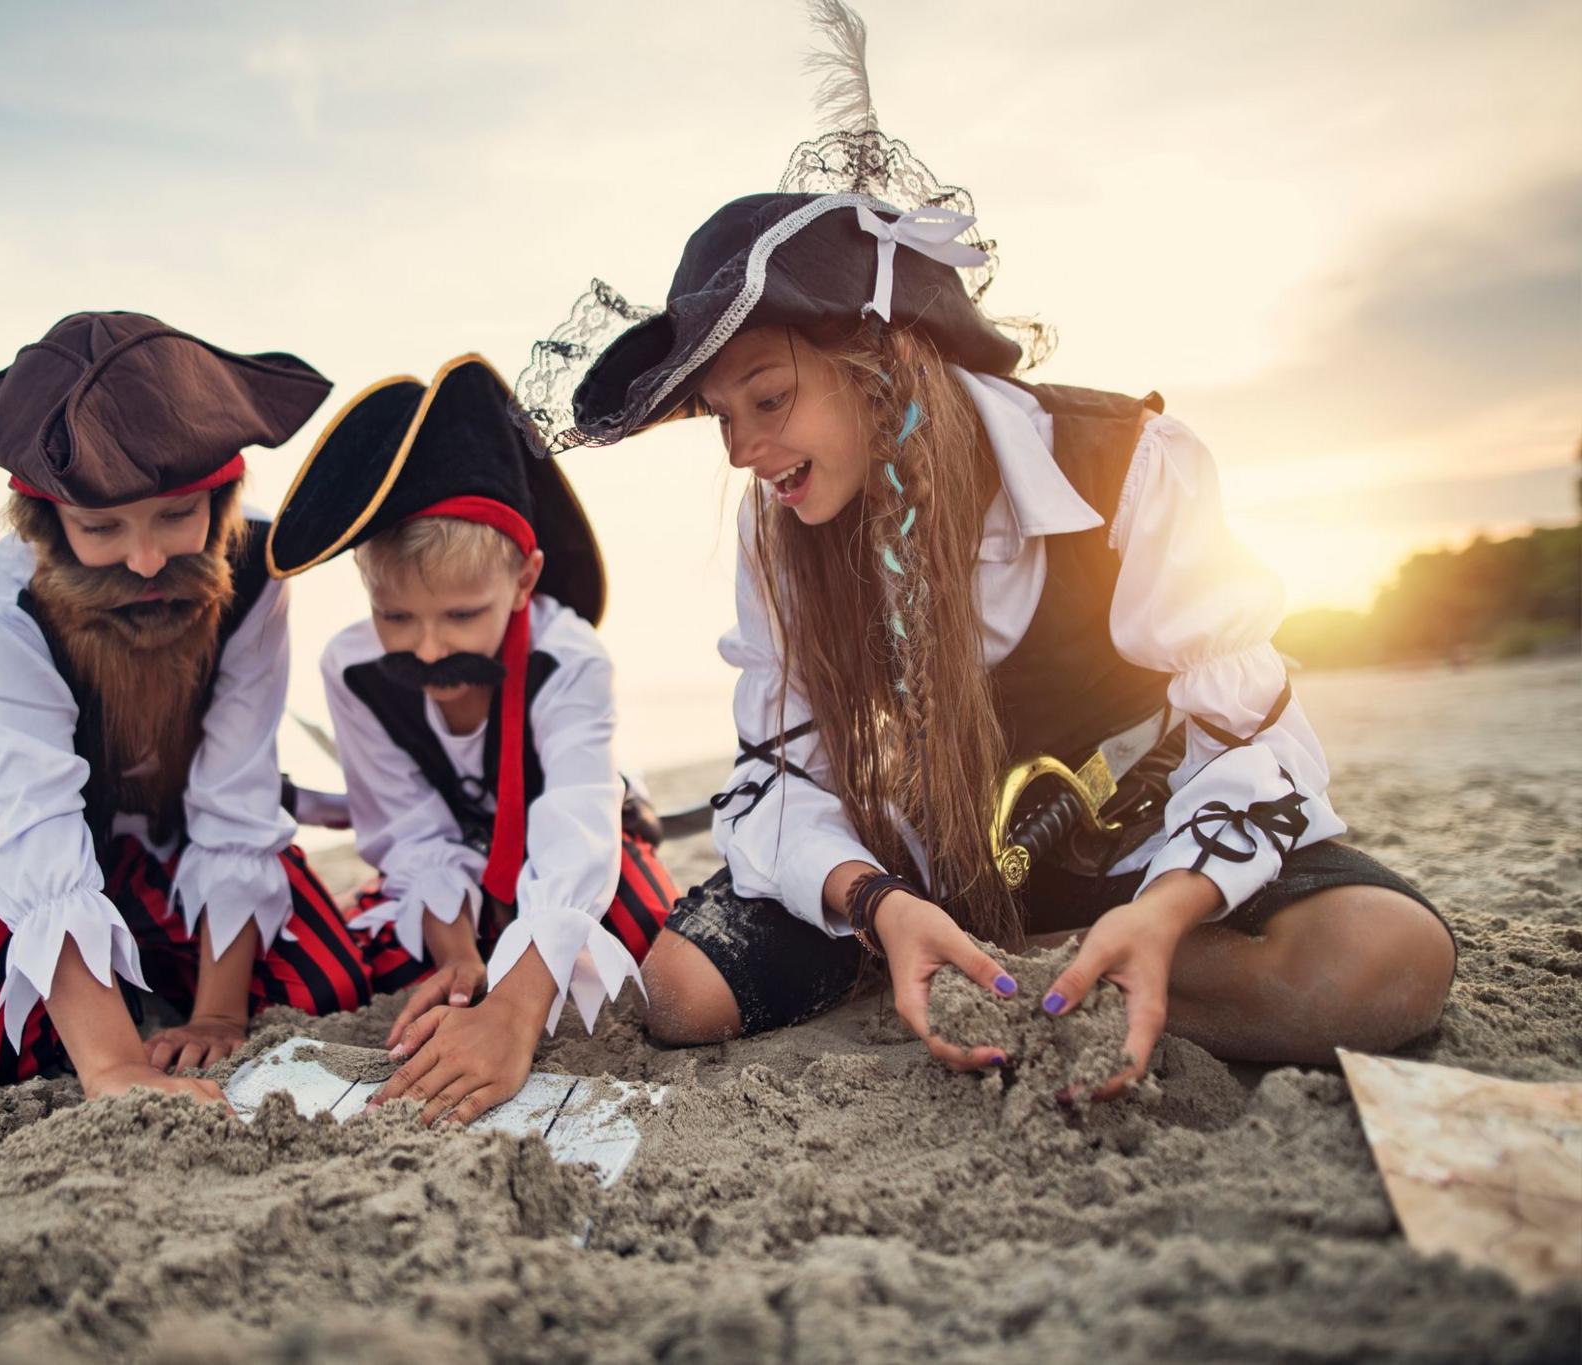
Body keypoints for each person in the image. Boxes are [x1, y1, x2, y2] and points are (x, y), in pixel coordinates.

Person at [516, 2, 1454, 1097]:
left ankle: (1072, 966)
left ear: (876, 362)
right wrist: (880, 903)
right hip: (925, 873)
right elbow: (776, 777)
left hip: (1133, 850)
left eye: (765, 398)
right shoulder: (778, 532)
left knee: (1387, 963)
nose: (743, 452)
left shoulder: (1131, 464)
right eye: (722, 421)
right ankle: (946, 955)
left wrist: (1166, 909)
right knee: (681, 992)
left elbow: (1249, 737)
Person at [0, 311, 371, 1097]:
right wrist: (114, 1065)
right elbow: (33, 814)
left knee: (325, 984)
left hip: (187, 832)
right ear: (47, 524)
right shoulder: (13, 597)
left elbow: (235, 788)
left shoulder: (259, 570)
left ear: (222, 495)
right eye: (102, 527)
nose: (146, 561)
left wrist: (217, 1017)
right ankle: (120, 990)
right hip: (53, 834)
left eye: (176, 516)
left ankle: (161, 976)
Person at [265, 354, 677, 1124]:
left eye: (459, 618)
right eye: (396, 618)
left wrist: (514, 1014)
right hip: (459, 870)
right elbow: (411, 831)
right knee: (383, 967)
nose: (425, 651)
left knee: (638, 947)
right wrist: (457, 956)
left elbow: (578, 832)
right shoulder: (353, 672)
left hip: (566, 844)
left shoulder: (567, 657)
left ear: (524, 581)